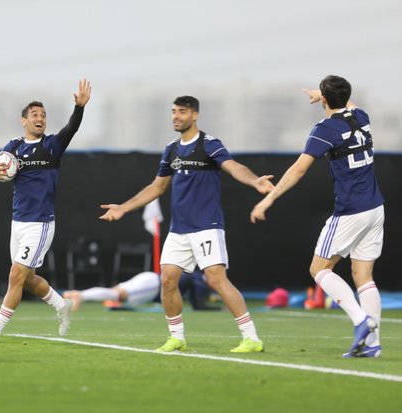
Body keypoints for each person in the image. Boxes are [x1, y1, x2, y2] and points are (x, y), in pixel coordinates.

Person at [100, 96, 274, 353]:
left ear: (195, 115)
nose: (176, 116)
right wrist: (124, 207)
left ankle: (251, 338)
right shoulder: (171, 149)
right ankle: (176, 337)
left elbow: (234, 167)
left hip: (206, 225)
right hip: (179, 229)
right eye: (173, 112)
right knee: (168, 280)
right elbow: (157, 187)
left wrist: (254, 181)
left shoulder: (209, 144)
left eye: (182, 112)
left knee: (216, 280)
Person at [251, 75, 382, 358]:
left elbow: (298, 169)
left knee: (319, 269)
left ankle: (362, 322)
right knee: (363, 277)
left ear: (323, 100)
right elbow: (346, 101)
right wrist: (322, 94)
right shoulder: (361, 116)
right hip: (375, 208)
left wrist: (269, 199)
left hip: (351, 211)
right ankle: (372, 345)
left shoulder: (325, 129)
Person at [0, 80, 92, 343]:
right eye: (35, 115)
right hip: (18, 222)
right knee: (27, 279)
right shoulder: (13, 147)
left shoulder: (52, 146)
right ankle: (62, 305)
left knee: (15, 275)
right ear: (24, 121)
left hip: (40, 223)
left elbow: (71, 128)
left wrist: (79, 107)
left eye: (43, 115)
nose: (40, 118)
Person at [63, 270, 214, 311]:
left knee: (115, 292)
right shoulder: (199, 280)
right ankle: (80, 295)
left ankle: (80, 294)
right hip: (153, 285)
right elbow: (197, 303)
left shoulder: (195, 278)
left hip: (151, 281)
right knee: (118, 294)